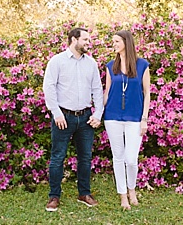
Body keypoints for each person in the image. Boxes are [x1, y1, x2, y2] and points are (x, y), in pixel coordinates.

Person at [43, 27, 104, 212]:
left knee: (85, 158)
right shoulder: (57, 61)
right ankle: (54, 196)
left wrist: (97, 114)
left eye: (89, 39)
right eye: (85, 39)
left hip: (85, 118)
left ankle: (84, 193)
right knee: (57, 158)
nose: (88, 43)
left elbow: (97, 90)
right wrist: (56, 112)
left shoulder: (91, 63)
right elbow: (49, 87)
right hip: (63, 117)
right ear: (73, 39)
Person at [103, 29, 151, 210]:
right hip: (112, 117)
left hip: (135, 118)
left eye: (116, 41)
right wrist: (97, 112)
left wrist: (144, 118)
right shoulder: (110, 66)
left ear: (126, 42)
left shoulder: (142, 65)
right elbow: (107, 93)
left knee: (131, 159)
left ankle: (132, 189)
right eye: (113, 41)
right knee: (118, 157)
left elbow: (147, 93)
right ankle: (123, 195)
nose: (114, 44)